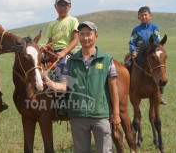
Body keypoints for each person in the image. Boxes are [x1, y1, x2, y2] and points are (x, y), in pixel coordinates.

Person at [44, 21, 121, 152]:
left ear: (96, 36)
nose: (85, 38)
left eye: (89, 34)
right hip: (78, 116)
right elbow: (63, 86)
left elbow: (113, 89)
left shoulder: (107, 59)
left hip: (100, 115)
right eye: (82, 34)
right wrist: (49, 82)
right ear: (78, 37)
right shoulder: (71, 61)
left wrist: (116, 113)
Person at [124, 6, 167, 105]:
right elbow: (131, 42)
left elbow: (157, 40)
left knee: (161, 67)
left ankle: (160, 93)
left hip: (151, 51)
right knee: (127, 63)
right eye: (141, 15)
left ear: (150, 16)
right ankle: (128, 87)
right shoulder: (136, 30)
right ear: (138, 17)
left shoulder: (155, 28)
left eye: (145, 15)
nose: (143, 17)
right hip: (139, 52)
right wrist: (133, 50)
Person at [45, 0, 79, 80]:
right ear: (55, 6)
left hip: (67, 51)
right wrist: (45, 49)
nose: (62, 8)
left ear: (70, 6)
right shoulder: (52, 24)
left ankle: (65, 90)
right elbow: (50, 42)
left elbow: (76, 39)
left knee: (61, 71)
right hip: (53, 52)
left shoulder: (73, 20)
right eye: (59, 5)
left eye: (65, 5)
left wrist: (64, 52)